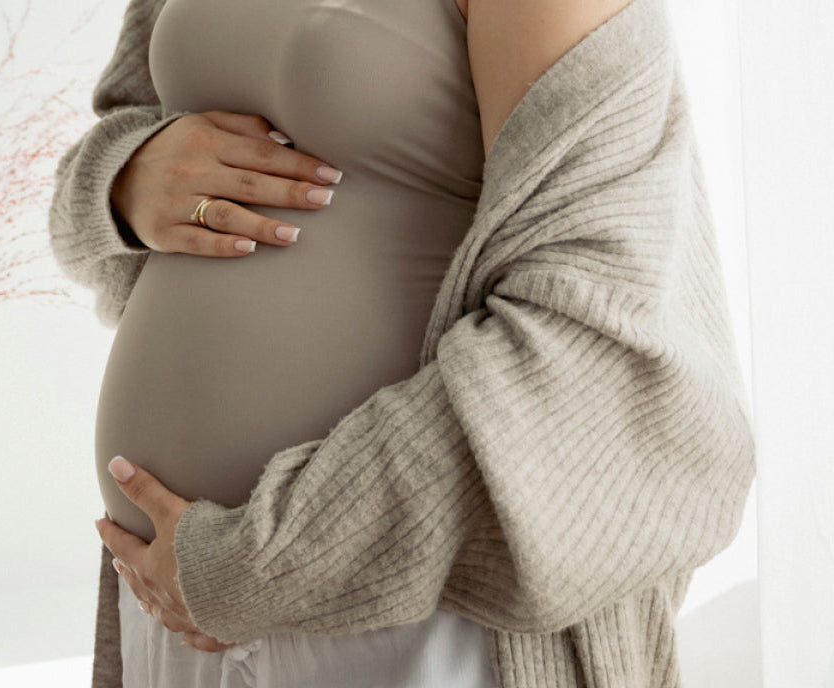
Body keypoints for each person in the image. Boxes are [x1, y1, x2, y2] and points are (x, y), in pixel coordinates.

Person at [47, 0, 756, 685]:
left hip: (418, 618)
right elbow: (119, 146)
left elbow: (592, 334)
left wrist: (257, 568)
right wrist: (124, 183)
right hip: (169, 598)